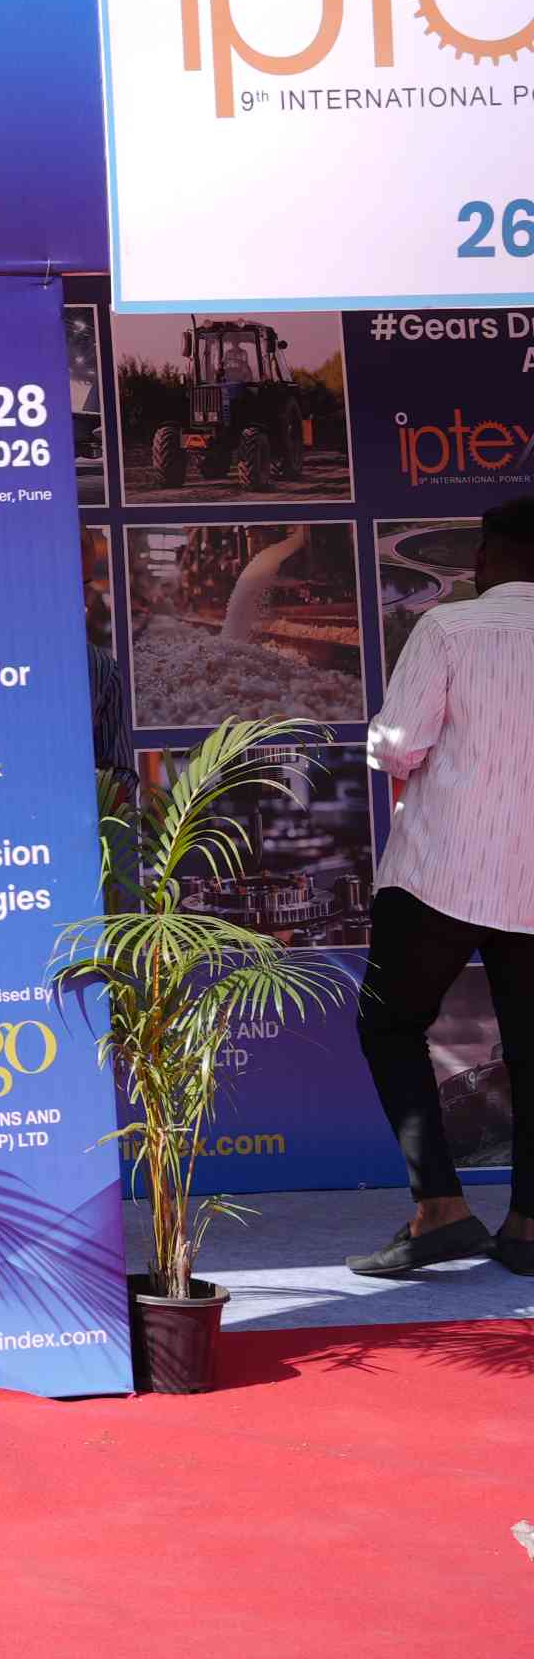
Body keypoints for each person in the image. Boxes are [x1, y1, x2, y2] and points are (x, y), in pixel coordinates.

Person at [346, 494, 534, 1279]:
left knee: (390, 1025)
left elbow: (399, 746)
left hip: (442, 872)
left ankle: (441, 1211)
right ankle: (528, 1228)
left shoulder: (451, 627)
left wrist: (385, 743)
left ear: (490, 557)